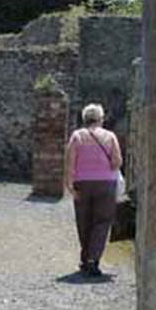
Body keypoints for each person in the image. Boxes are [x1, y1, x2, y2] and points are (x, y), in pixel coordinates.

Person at [64, 102, 123, 277]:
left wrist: (69, 184)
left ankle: (85, 258)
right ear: (101, 119)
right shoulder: (110, 136)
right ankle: (93, 260)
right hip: (106, 183)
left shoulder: (77, 136)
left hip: (82, 183)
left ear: (84, 119)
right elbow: (117, 162)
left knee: (84, 221)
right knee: (102, 221)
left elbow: (69, 163)